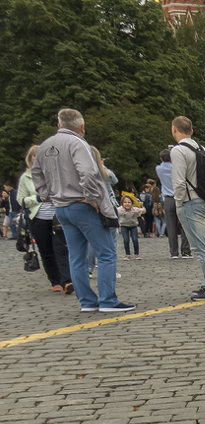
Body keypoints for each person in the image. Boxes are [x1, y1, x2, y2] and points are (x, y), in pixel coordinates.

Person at [31, 108, 134, 312]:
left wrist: (49, 194)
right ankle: (108, 300)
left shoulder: (45, 146)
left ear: (59, 125)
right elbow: (88, 172)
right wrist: (92, 198)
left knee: (76, 255)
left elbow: (36, 173)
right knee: (106, 253)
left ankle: (86, 301)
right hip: (82, 204)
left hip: (61, 207)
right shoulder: (78, 143)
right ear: (82, 127)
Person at [170, 115, 205, 301]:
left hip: (191, 203)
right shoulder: (200, 148)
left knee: (200, 247)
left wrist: (179, 203)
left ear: (174, 129)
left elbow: (178, 181)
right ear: (191, 131)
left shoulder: (178, 151)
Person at [17, 144, 72, 293]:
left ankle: (67, 280)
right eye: (35, 155)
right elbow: (20, 199)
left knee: (61, 248)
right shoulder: (26, 177)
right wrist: (37, 198)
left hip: (57, 216)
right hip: (38, 218)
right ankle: (55, 281)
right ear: (30, 158)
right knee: (46, 250)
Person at [156, 148, 191, 259]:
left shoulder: (158, 169)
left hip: (168, 199)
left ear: (161, 158)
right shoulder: (177, 168)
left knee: (171, 227)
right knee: (185, 226)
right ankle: (186, 251)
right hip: (181, 197)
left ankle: (174, 252)